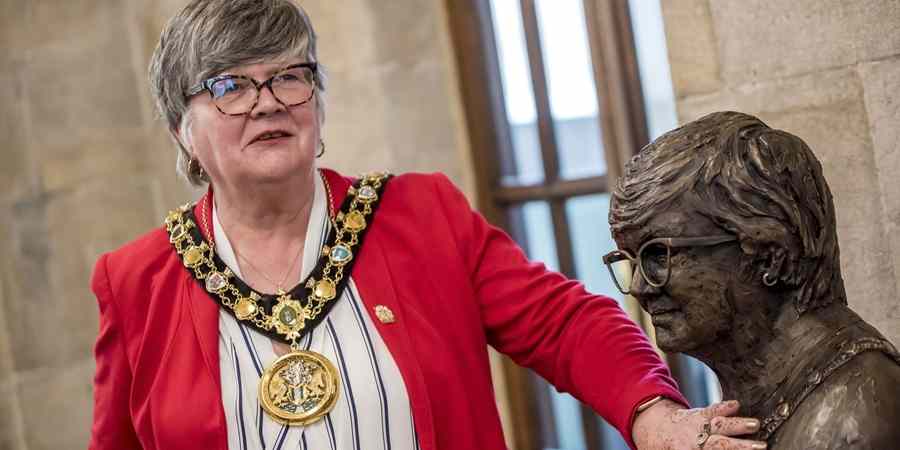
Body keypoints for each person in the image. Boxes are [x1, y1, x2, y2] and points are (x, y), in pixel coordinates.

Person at [88, 1, 764, 449]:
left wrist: (655, 419)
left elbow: (566, 323)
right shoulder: (134, 281)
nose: (269, 102)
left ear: (316, 104)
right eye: (231, 86)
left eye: (290, 77)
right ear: (182, 127)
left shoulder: (418, 217)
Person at [606, 111, 900, 449]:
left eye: (659, 255)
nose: (641, 288)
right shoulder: (781, 397)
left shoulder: (851, 423)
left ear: (769, 252)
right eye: (631, 260)